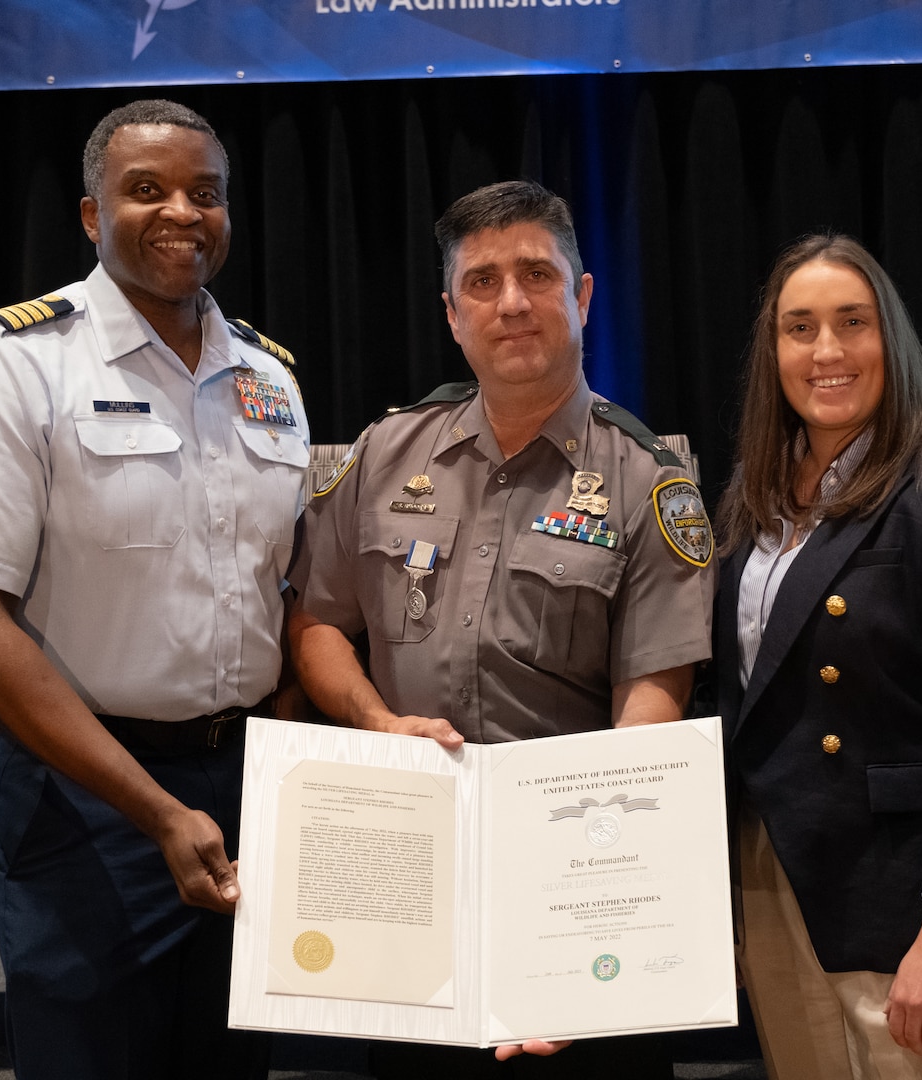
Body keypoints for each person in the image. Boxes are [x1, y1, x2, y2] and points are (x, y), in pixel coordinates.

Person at [0, 99, 308, 1079]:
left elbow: (283, 594)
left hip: (243, 783)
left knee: (230, 1063)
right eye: (147, 190)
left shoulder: (271, 377)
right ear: (92, 217)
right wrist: (155, 810)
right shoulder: (9, 367)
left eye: (204, 193)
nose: (182, 211)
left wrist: (289, 783)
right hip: (81, 791)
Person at [287, 179, 716, 1078]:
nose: (512, 301)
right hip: (409, 866)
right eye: (482, 282)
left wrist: (590, 885)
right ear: (451, 313)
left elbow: (657, 689)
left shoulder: (648, 481)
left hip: (571, 870)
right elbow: (318, 625)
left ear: (583, 294)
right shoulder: (382, 453)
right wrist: (377, 725)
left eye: (536, 274)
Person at [712, 234, 922, 1079]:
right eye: (799, 328)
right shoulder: (755, 494)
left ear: (889, 338)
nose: (826, 350)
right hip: (780, 883)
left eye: (851, 322)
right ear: (773, 352)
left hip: (916, 901)